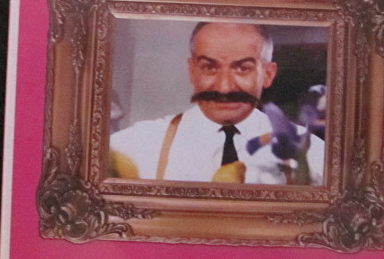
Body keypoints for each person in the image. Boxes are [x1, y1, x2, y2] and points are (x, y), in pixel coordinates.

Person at [109, 22, 326, 185]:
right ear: (192, 71)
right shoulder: (132, 147)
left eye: (243, 68)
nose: (224, 88)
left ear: (268, 74)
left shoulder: (314, 155)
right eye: (209, 68)